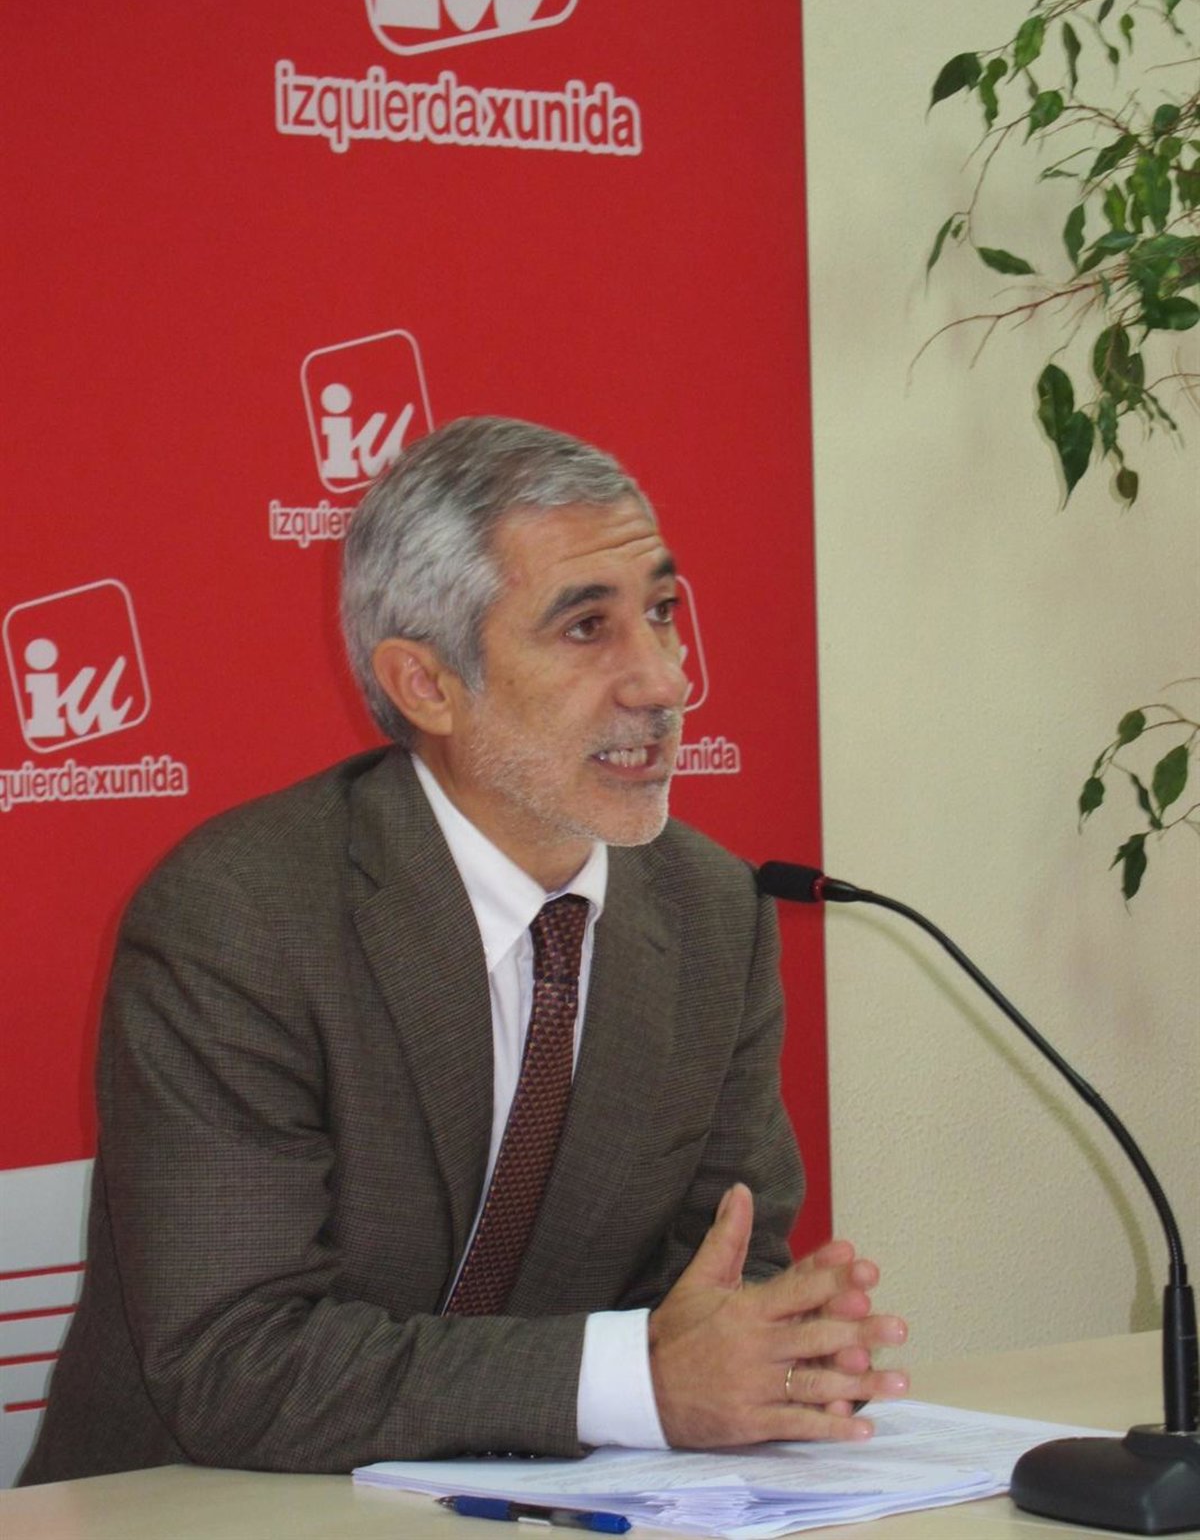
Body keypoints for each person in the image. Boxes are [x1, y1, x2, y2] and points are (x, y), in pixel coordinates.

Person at [22, 417, 907, 1483]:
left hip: (550, 1496)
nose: (666, 680)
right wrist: (639, 1381)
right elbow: (233, 1363)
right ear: (426, 685)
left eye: (662, 612)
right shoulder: (241, 917)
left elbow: (714, 1280)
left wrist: (763, 1356)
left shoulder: (713, 910)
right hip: (201, 1503)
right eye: (587, 627)